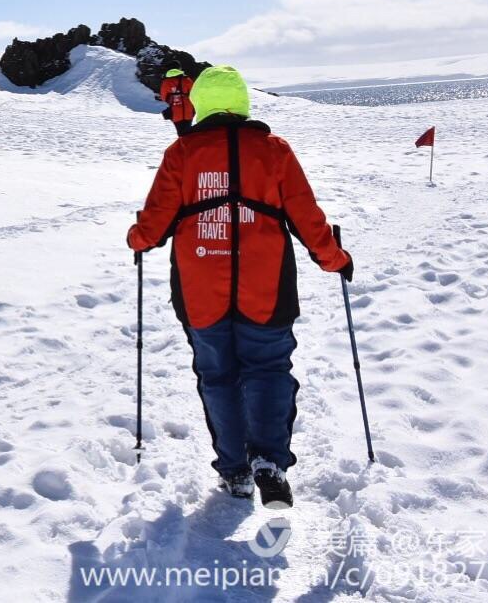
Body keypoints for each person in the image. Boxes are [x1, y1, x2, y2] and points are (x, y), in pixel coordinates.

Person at [127, 65, 353, 509]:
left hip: (200, 290)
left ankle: (234, 472)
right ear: (242, 102)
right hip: (266, 288)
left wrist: (137, 239)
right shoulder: (274, 151)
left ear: (202, 103)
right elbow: (308, 217)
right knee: (268, 369)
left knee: (218, 377)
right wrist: (335, 259)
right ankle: (269, 461)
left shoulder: (184, 154)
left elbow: (153, 224)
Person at [158, 67, 195, 135]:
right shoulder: (187, 80)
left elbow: (164, 97)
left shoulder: (166, 82)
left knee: (180, 132)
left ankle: (182, 143)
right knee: (188, 131)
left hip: (175, 111)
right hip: (188, 110)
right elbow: (194, 94)